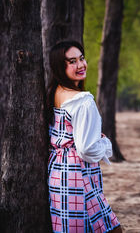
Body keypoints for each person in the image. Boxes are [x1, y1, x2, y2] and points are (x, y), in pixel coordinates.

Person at [46, 40, 122, 233]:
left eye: (81, 58)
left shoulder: (55, 92)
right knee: (111, 228)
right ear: (59, 67)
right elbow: (87, 149)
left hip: (58, 172)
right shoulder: (83, 100)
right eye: (72, 61)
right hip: (78, 174)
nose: (80, 65)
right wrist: (104, 143)